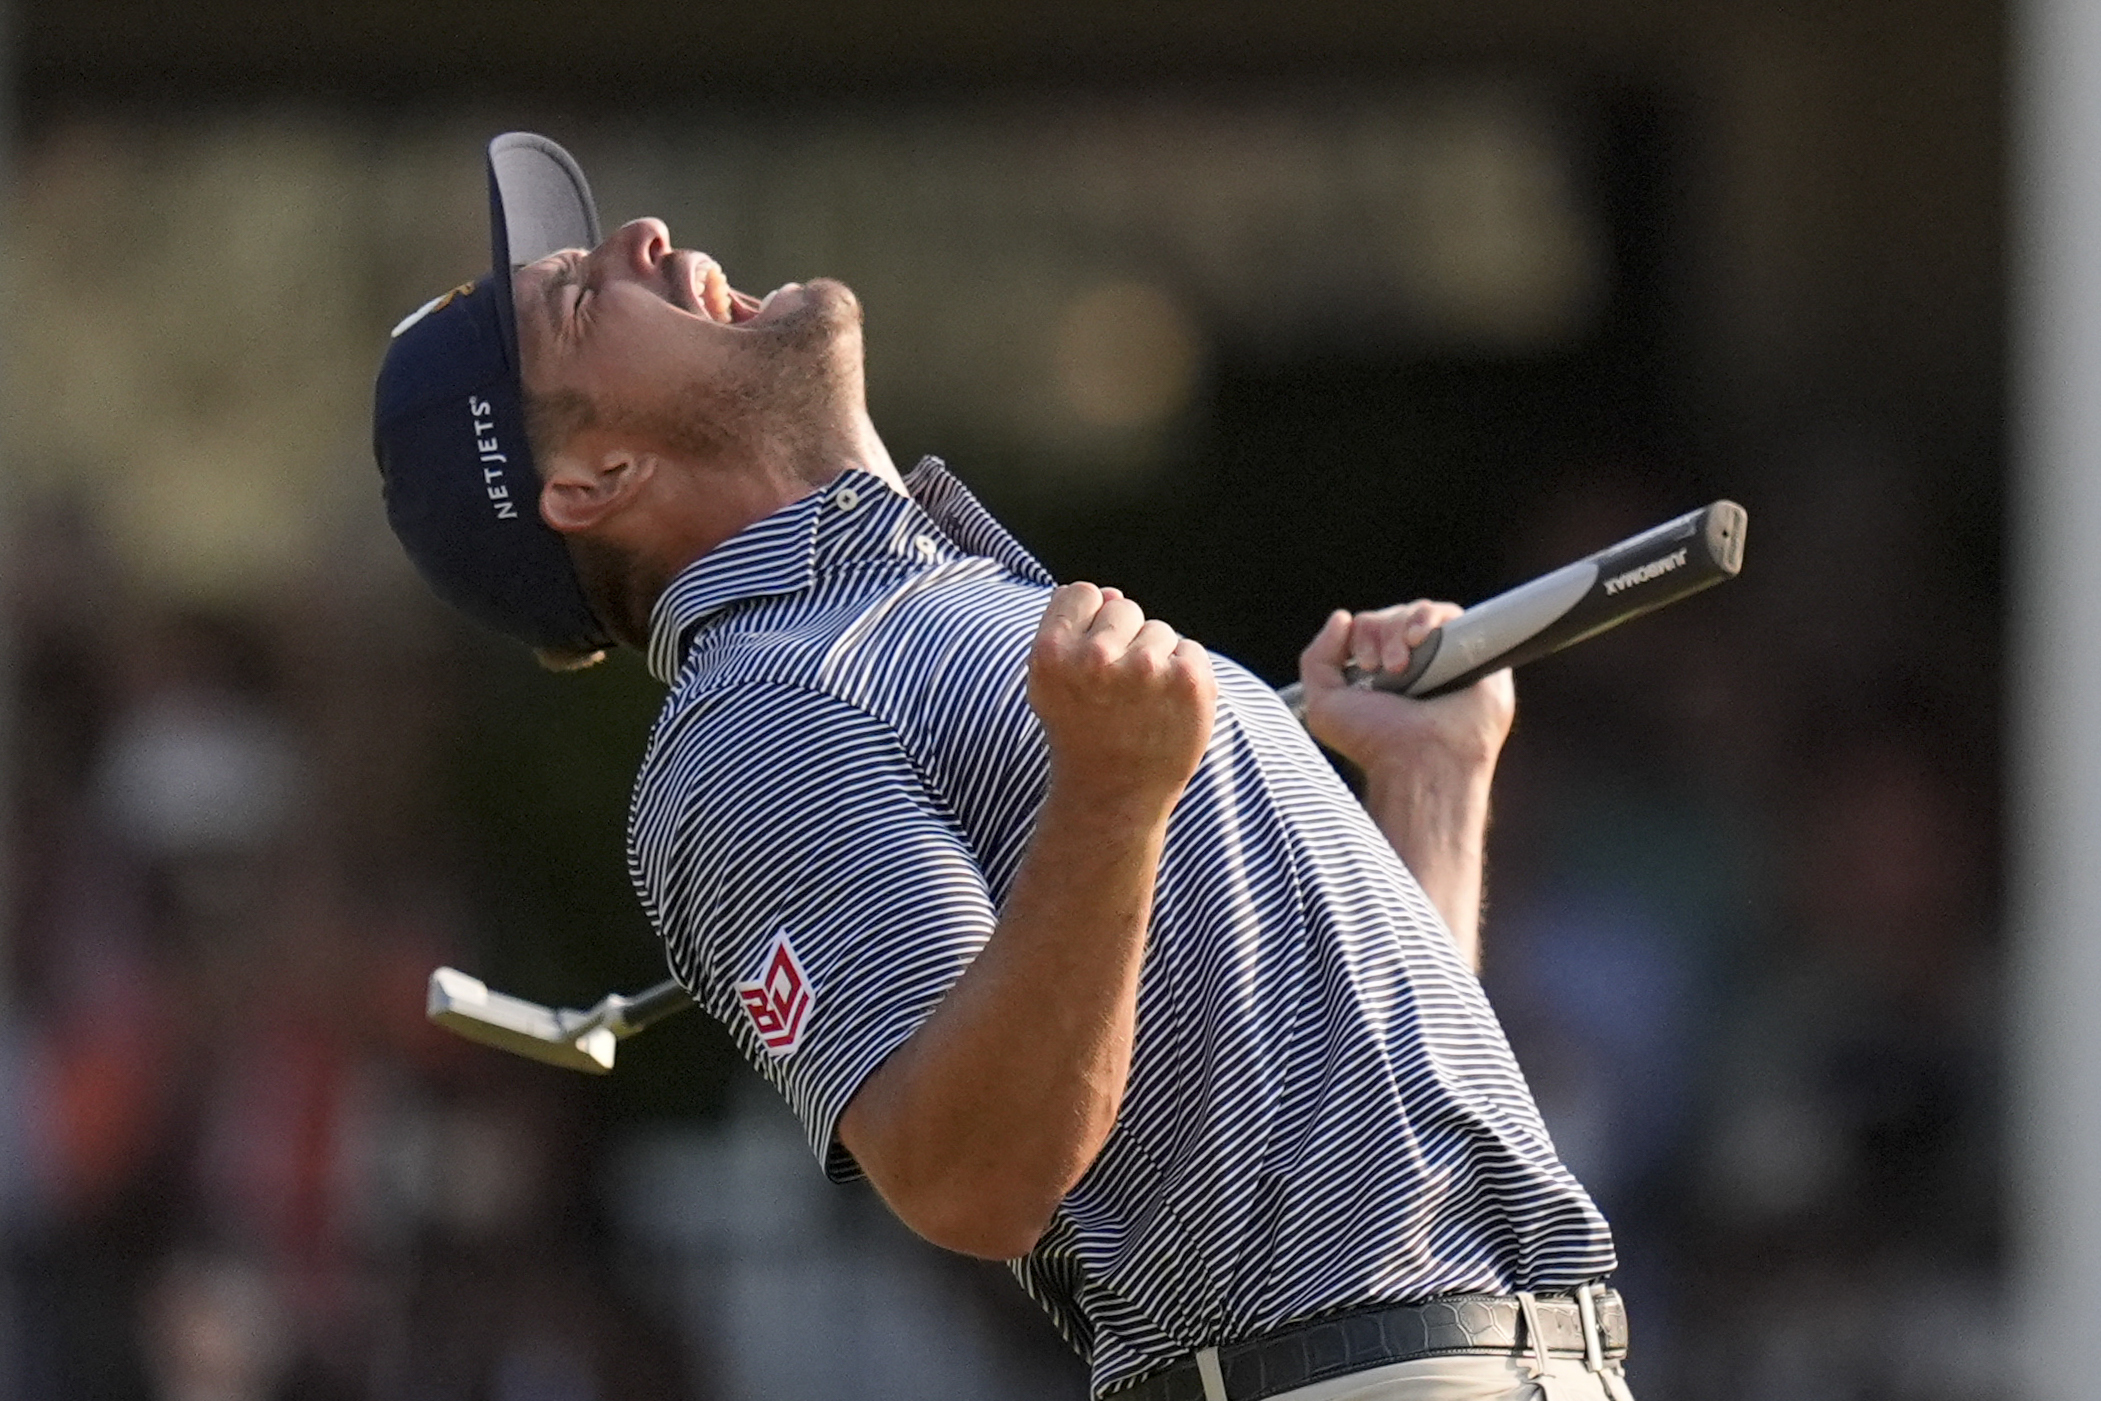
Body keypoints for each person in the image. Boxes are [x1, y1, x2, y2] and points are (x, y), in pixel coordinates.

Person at [373, 132, 1635, 1401]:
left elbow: (1352, 1126)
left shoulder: (952, 616)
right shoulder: (755, 715)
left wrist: (1429, 784)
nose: (644, 240)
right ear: (597, 480)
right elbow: (966, 1180)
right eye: (586, 301)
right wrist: (1108, 799)